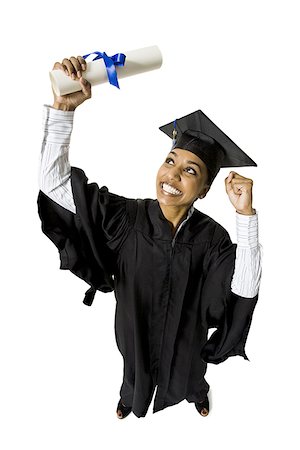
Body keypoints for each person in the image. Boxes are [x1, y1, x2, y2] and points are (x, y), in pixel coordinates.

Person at [37, 56, 262, 419]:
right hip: (134, 330)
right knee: (133, 369)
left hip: (188, 342)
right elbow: (55, 186)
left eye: (191, 170)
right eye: (171, 161)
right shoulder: (127, 218)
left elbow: (244, 290)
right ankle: (130, 396)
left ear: (204, 190)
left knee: (192, 374)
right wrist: (63, 109)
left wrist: (245, 217)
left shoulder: (213, 239)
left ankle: (197, 392)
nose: (172, 175)